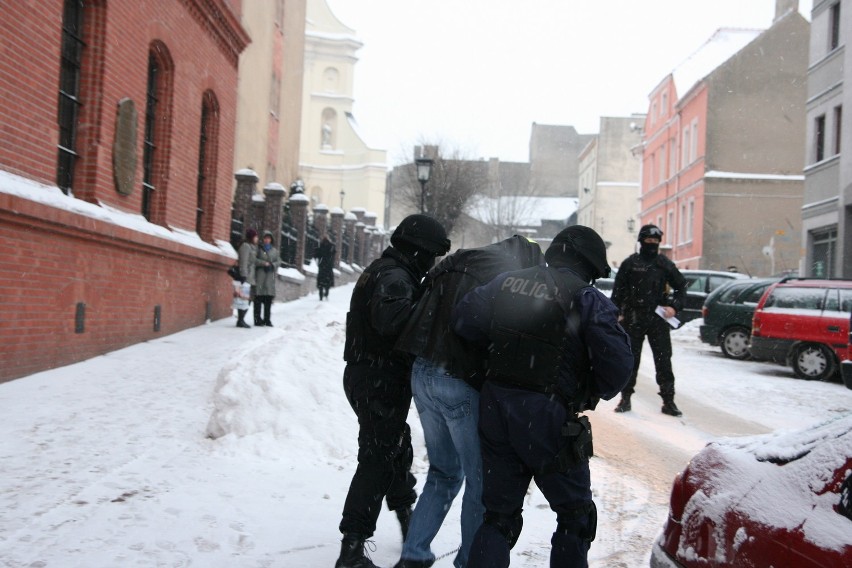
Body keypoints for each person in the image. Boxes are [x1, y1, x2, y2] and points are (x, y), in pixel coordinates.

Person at [452, 225, 633, 568]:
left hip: (497, 406)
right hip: (547, 416)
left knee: (499, 518)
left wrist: (496, 361)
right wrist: (590, 389)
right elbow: (618, 367)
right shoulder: (586, 297)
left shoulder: (506, 282)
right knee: (576, 517)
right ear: (589, 266)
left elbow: (463, 321)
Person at [392, 236, 544, 568]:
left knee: (443, 472)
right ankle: (469, 562)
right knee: (480, 480)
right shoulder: (505, 274)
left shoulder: (458, 260)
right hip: (458, 378)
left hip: (421, 370)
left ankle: (413, 555)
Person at [336, 214, 452, 568]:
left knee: (392, 447)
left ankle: (407, 518)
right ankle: (352, 548)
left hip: (373, 377)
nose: (432, 264)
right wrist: (433, 310)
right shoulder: (394, 277)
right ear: (419, 252)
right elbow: (394, 322)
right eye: (432, 256)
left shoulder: (389, 271)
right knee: (377, 459)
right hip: (377, 379)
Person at [611, 224, 687, 417]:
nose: (652, 244)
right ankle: (625, 398)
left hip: (657, 319)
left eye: (655, 241)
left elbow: (681, 286)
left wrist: (674, 307)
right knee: (631, 360)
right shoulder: (630, 263)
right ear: (641, 241)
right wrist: (616, 312)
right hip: (633, 318)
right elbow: (618, 291)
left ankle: (668, 401)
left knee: (663, 360)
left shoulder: (664, 264)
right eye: (648, 241)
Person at [254, 230, 280, 327]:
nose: (267, 240)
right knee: (258, 299)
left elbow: (279, 261)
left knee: (268, 300)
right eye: (265, 238)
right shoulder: (258, 249)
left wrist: (272, 265)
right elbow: (254, 260)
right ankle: (257, 319)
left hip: (269, 277)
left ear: (271, 239)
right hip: (260, 276)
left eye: (268, 238)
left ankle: (267, 319)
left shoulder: (274, 251)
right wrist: (263, 263)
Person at [237, 228, 259, 328]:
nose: (257, 238)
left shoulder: (252, 247)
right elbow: (243, 262)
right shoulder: (245, 246)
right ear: (252, 237)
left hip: (251, 277)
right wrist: (243, 275)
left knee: (248, 298)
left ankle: (241, 319)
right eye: (256, 236)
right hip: (246, 276)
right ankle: (240, 320)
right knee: (244, 298)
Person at [315, 235, 336, 301]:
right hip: (328, 266)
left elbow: (316, 255)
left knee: (321, 282)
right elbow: (333, 254)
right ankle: (326, 293)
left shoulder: (321, 246)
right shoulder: (331, 247)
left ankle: (321, 294)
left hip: (322, 266)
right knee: (327, 281)